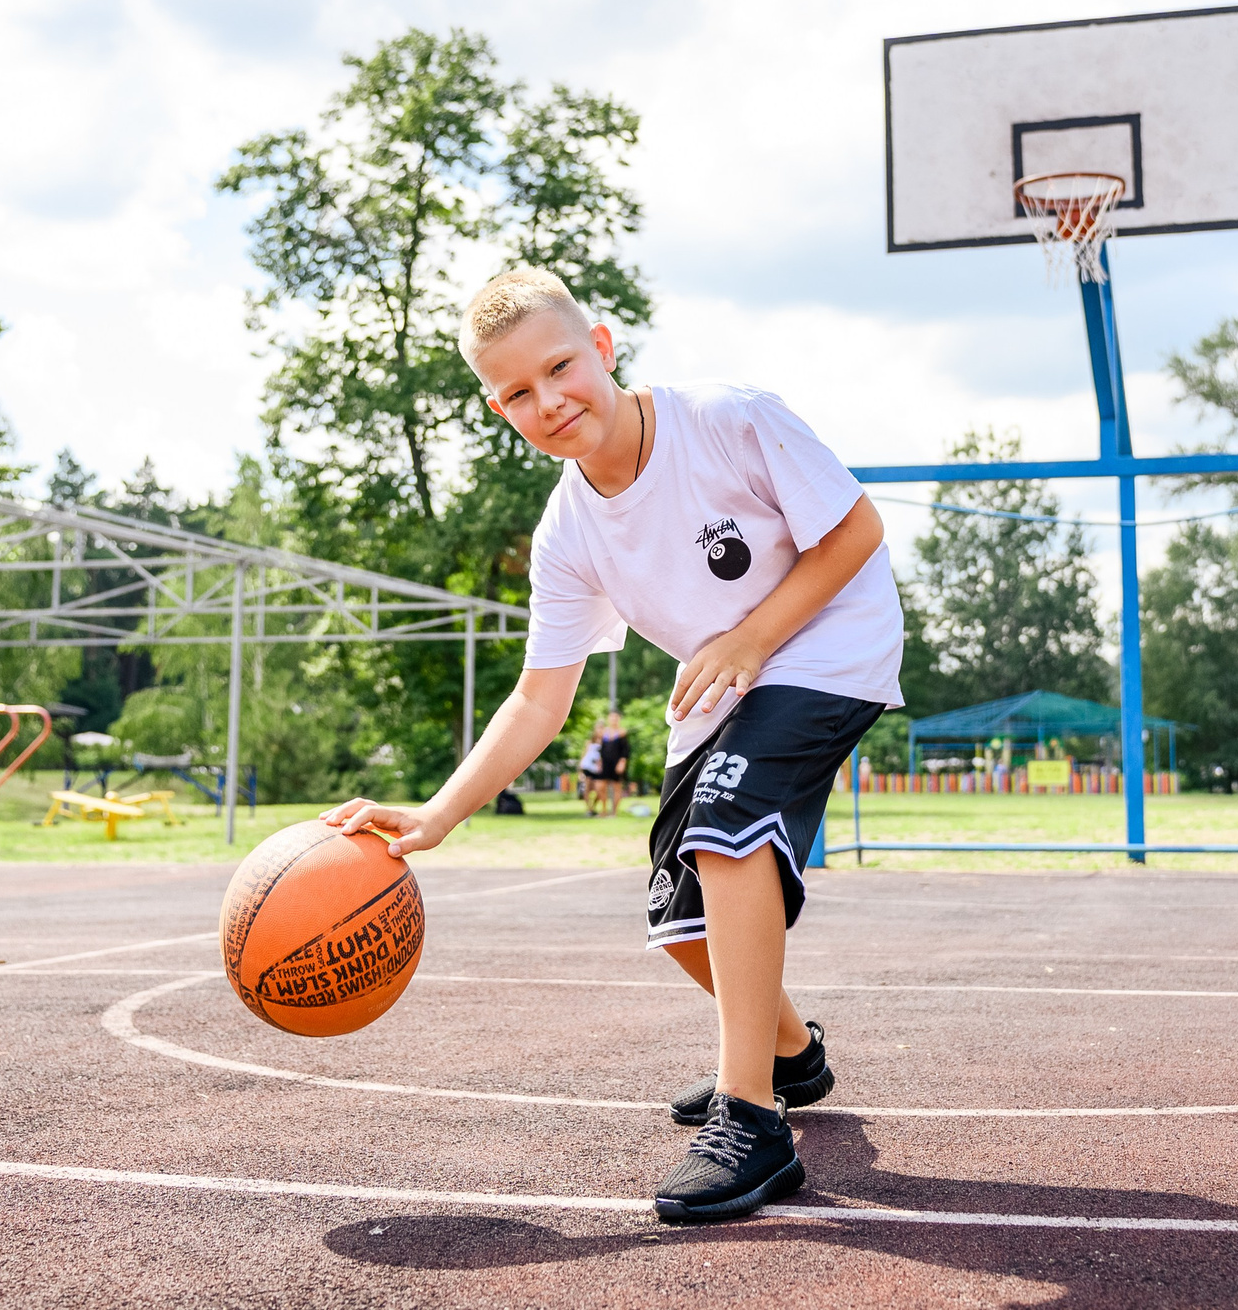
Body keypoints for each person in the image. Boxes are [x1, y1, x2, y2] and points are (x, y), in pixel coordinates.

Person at [323, 268, 899, 1224]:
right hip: (729, 683)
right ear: (494, 404)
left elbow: (856, 532)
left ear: (602, 344)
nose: (547, 401)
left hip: (832, 640)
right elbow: (541, 698)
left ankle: (751, 1119)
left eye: (558, 368)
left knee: (726, 827)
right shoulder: (569, 530)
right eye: (516, 392)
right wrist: (435, 814)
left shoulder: (726, 418)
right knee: (678, 920)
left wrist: (751, 636)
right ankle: (788, 1055)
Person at [595, 707, 632, 815]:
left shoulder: (622, 733)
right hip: (605, 762)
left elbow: (626, 750)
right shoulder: (603, 733)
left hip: (617, 762)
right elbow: (601, 749)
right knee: (600, 786)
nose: (614, 719)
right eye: (612, 717)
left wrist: (622, 762)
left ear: (619, 719)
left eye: (616, 717)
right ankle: (604, 810)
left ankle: (614, 812)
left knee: (617, 787)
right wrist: (600, 762)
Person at [575, 733, 606, 814]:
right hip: (587, 767)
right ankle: (589, 809)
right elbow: (584, 754)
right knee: (587, 788)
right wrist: (580, 770)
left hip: (598, 769)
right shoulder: (589, 742)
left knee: (598, 789)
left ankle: (593, 806)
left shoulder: (606, 742)